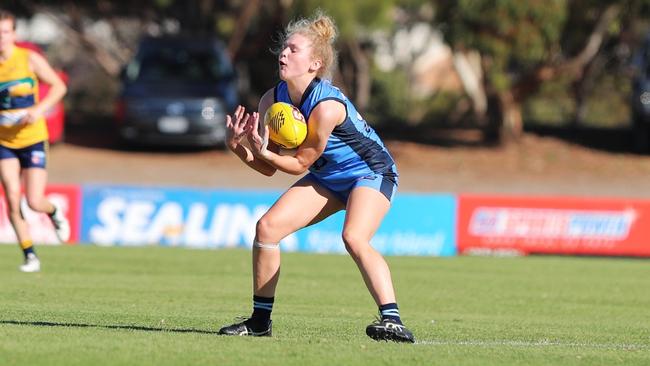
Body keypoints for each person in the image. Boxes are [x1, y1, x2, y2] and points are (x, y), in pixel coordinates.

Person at [218, 12, 415, 343]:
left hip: (370, 172)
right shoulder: (272, 100)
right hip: (328, 178)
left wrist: (265, 152)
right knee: (267, 229)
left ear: (315, 64)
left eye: (293, 50)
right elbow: (268, 168)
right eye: (284, 48)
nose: (283, 53)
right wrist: (237, 146)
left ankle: (392, 320)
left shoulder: (326, 107)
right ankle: (260, 321)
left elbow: (299, 163)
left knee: (353, 237)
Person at [0, 9, 70, 272]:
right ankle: (30, 255)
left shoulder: (28, 59)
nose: (1, 38)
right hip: (4, 142)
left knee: (34, 201)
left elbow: (59, 86)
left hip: (32, 140)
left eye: (5, 32)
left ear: (14, 34)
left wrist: (39, 110)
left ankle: (52, 212)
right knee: (11, 192)